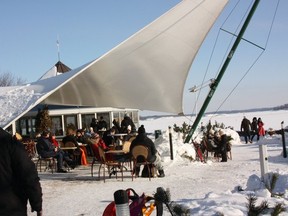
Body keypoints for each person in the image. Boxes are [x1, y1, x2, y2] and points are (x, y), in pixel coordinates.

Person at [0, 128, 43, 216]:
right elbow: (28, 174)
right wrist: (37, 203)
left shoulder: (10, 142)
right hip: (11, 206)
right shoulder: (11, 143)